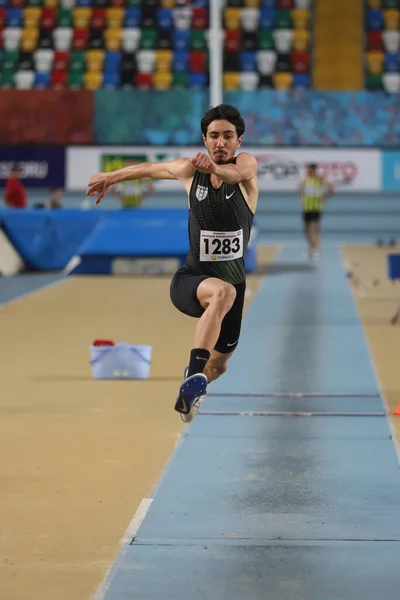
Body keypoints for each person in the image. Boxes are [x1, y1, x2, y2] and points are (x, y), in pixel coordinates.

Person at [86, 104, 259, 423]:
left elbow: (238, 172)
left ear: (239, 141)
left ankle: (197, 377)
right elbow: (150, 169)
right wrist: (111, 177)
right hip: (191, 281)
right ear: (205, 140)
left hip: (232, 286)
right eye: (214, 136)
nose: (220, 142)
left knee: (219, 366)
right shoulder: (189, 171)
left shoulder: (245, 168)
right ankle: (194, 378)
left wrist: (215, 169)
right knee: (223, 293)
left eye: (227, 136)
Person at [297, 163, 335, 261]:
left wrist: (325, 198)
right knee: (306, 231)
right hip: (306, 209)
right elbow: (299, 188)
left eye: (310, 170)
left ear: (314, 170)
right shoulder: (306, 180)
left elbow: (332, 189)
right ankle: (311, 248)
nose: (308, 171)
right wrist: (301, 197)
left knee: (315, 230)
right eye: (308, 170)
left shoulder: (320, 180)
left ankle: (316, 250)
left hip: (316, 209)